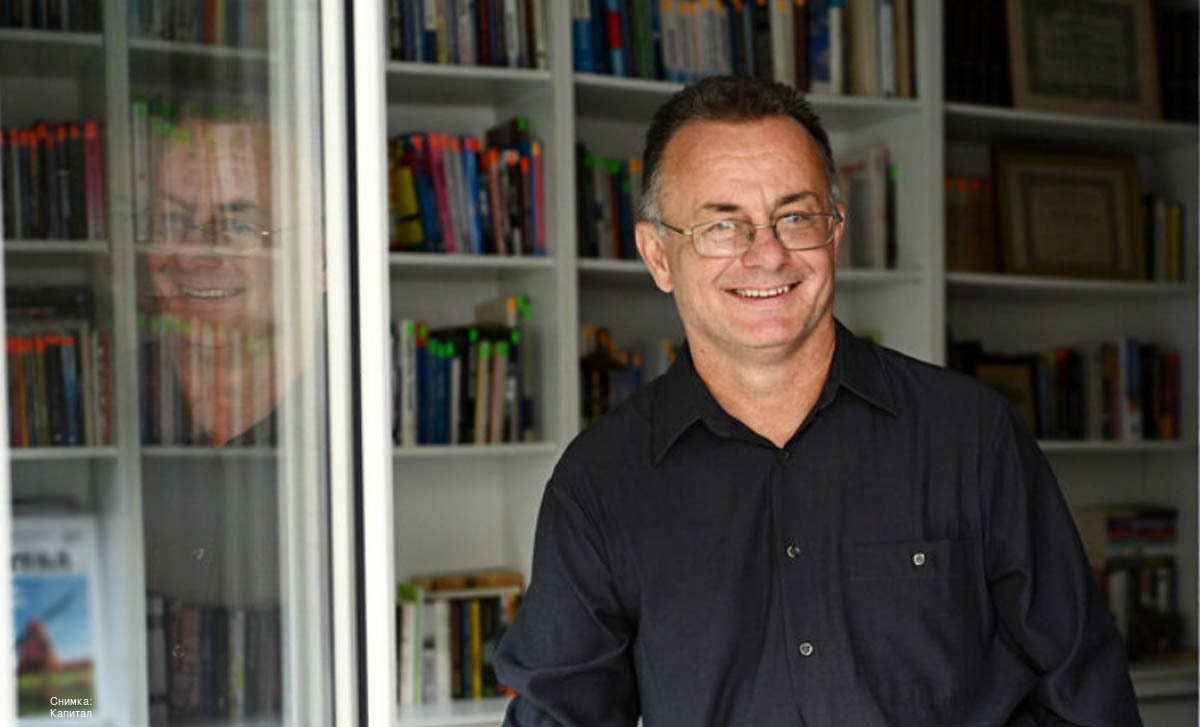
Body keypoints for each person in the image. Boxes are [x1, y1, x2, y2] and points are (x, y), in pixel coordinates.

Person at [493, 76, 1140, 726]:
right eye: (723, 225)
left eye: (795, 217)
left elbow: (1087, 696)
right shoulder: (600, 484)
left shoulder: (971, 435)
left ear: (835, 233)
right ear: (658, 254)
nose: (767, 255)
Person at [140, 115, 287, 446]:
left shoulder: (353, 395)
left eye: (238, 226)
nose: (191, 255)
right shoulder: (110, 387)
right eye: (171, 219)